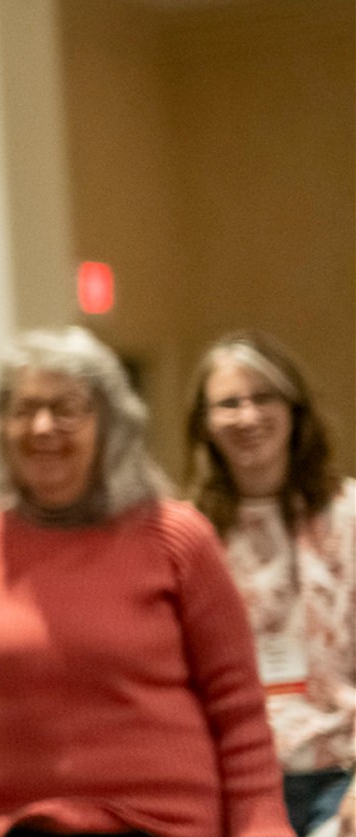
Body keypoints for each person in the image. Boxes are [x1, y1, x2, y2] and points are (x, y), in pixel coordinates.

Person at [0, 327, 292, 837]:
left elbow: (240, 712)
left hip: (158, 825)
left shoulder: (177, 539)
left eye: (66, 409)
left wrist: (263, 827)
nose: (43, 427)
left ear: (110, 425)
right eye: (24, 410)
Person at [185, 332, 356, 835]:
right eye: (229, 403)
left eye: (263, 398)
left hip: (339, 774)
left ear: (295, 409)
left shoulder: (348, 516)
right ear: (205, 423)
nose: (248, 417)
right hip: (231, 783)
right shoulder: (188, 533)